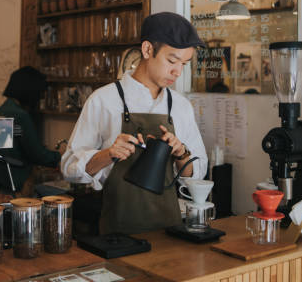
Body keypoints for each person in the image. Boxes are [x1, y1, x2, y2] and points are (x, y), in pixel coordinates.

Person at [61, 12, 209, 235]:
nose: (177, 72)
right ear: (148, 50)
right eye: (172, 60)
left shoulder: (180, 106)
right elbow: (69, 168)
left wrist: (181, 153)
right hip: (117, 232)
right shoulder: (104, 100)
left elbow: (194, 177)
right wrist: (109, 153)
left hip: (170, 231)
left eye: (184, 64)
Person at [0, 66, 62, 194]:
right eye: (40, 93)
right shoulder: (20, 115)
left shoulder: (1, 111)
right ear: (30, 91)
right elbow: (36, 154)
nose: (40, 98)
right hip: (15, 184)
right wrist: (61, 156)